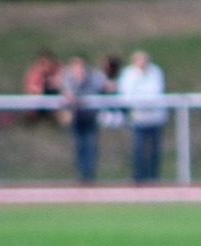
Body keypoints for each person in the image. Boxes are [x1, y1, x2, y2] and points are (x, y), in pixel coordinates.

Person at [116, 51, 167, 182]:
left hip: (155, 118)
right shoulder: (128, 74)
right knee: (138, 149)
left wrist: (143, 99)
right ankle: (139, 177)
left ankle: (153, 177)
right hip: (137, 118)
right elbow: (126, 94)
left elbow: (156, 92)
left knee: (154, 150)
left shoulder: (155, 72)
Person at [59, 56, 108, 183]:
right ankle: (81, 175)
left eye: (80, 67)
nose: (78, 70)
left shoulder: (93, 77)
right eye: (75, 67)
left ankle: (89, 175)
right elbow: (67, 93)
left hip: (90, 116)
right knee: (78, 145)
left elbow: (99, 88)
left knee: (90, 145)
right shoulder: (68, 78)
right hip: (76, 117)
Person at [23, 48, 61, 123]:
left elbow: (62, 84)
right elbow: (30, 88)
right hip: (38, 100)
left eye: (48, 63)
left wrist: (53, 84)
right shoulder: (34, 72)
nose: (46, 66)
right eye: (43, 63)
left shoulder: (58, 69)